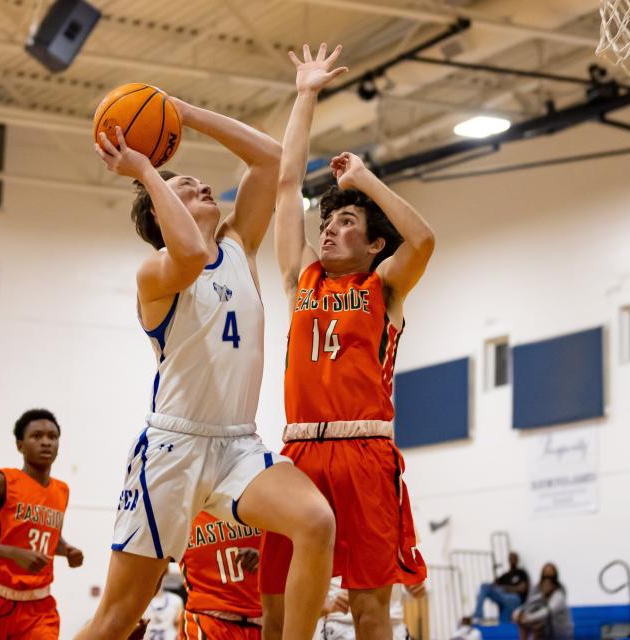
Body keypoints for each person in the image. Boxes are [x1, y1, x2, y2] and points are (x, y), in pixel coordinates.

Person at [78, 92, 335, 640]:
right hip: (172, 450)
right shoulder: (156, 273)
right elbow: (190, 254)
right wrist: (146, 170)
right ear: (158, 213)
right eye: (182, 187)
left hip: (238, 445)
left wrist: (185, 114)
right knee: (119, 618)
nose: (198, 184)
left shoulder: (240, 246)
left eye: (195, 180)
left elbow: (270, 158)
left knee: (315, 522)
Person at [262, 42, 434, 639]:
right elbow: (287, 188)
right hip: (301, 451)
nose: (330, 229)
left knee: (368, 609)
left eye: (346, 224)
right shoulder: (300, 277)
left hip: (365, 452)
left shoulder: (383, 288)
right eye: (328, 222)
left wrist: (365, 180)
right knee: (280, 609)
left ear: (372, 245)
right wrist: (306, 94)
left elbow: (424, 240)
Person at [0, 408, 84, 639]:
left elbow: (48, 537)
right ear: (20, 445)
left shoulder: (62, 490)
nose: (46, 442)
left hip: (39, 607)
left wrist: (66, 549)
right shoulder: (1, 481)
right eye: (37, 436)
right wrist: (13, 553)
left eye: (52, 437)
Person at [179, 512, 262, 640]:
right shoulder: (183, 510)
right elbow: (155, 568)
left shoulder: (265, 504)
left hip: (264, 620)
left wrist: (269, 560)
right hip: (207, 619)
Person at [314, 578, 426, 640]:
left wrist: (417, 586)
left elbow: (416, 582)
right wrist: (326, 606)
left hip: (394, 626)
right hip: (339, 627)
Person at [513, 563, 573, 640]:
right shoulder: (538, 591)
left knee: (537, 623)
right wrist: (518, 612)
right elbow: (528, 604)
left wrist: (528, 618)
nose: (547, 583)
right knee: (524, 622)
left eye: (550, 579)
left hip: (560, 634)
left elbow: (548, 611)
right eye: (545, 578)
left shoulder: (559, 595)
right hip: (546, 631)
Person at [472, 552, 530, 623]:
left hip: (515, 598)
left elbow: (523, 588)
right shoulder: (505, 575)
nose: (512, 560)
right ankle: (478, 616)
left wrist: (507, 588)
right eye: (510, 558)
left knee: (504, 621)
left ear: (517, 560)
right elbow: (493, 586)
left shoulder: (521, 573)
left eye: (514, 558)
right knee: (484, 586)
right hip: (503, 597)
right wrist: (494, 584)